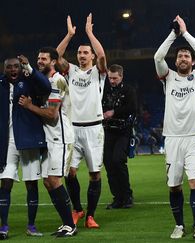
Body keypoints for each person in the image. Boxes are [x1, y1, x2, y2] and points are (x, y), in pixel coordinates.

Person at [154, 15, 195, 240]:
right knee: (174, 186)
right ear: (175, 61)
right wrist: (173, 35)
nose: (184, 58)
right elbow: (158, 56)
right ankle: (179, 225)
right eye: (180, 55)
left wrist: (185, 33)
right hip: (173, 139)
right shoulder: (168, 77)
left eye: (187, 55)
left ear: (193, 62)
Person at [18, 47, 77, 237]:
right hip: (49, 138)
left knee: (54, 180)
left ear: (53, 62)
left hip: (60, 137)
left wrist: (29, 106)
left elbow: (52, 115)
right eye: (38, 58)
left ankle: (70, 225)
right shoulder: (44, 81)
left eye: (44, 58)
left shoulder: (57, 80)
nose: (40, 61)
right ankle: (66, 223)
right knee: (48, 182)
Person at [56, 14, 107, 228]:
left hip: (94, 129)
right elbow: (55, 56)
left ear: (92, 57)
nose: (82, 55)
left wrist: (89, 33)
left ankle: (91, 216)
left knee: (95, 174)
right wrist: (69, 36)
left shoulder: (98, 72)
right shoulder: (71, 71)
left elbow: (103, 55)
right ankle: (77, 209)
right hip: (72, 129)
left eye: (86, 52)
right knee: (70, 172)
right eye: (79, 52)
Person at [0, 55, 51, 239]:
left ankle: (31, 225)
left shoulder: (29, 80)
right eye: (9, 67)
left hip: (28, 137)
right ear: (4, 69)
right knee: (5, 182)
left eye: (16, 66)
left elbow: (46, 86)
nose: (13, 70)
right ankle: (3, 227)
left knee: (31, 183)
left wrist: (29, 67)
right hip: (7, 142)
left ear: (20, 68)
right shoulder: (1, 84)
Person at [102, 64, 136, 209]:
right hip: (109, 131)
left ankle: (127, 196)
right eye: (110, 78)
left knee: (118, 160)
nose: (112, 81)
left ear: (121, 76)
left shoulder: (129, 90)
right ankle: (117, 197)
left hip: (123, 131)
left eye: (115, 78)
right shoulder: (104, 89)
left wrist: (113, 112)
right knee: (108, 163)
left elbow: (132, 108)